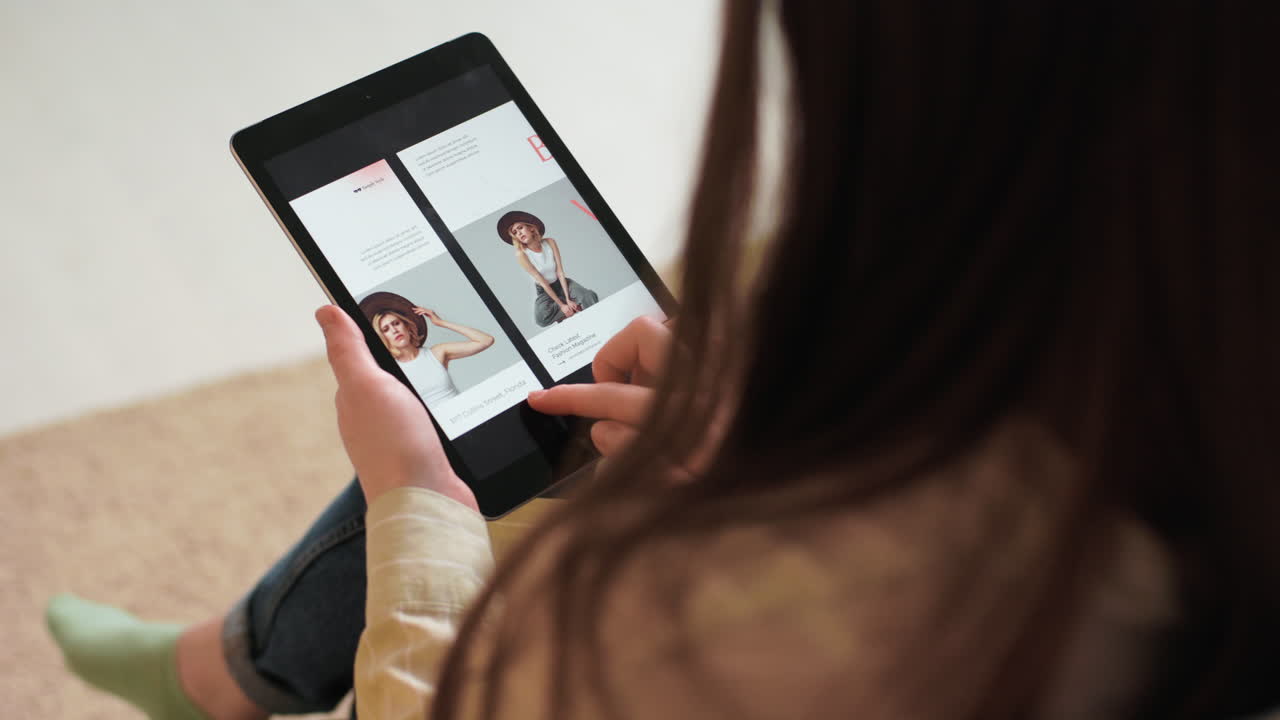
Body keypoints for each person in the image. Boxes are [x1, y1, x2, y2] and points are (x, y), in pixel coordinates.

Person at [46, 2, 1280, 719]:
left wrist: (414, 506)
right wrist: (775, 445)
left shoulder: (726, 633)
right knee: (558, 426)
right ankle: (232, 660)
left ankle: (225, 671)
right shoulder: (1181, 418)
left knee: (468, 472)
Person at [359, 291, 495, 407]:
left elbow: (486, 340)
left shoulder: (436, 353)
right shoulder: (389, 371)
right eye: (386, 329)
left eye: (396, 323)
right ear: (383, 338)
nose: (394, 330)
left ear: (406, 326)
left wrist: (440, 323)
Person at [496, 210, 598, 326]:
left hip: (561, 282)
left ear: (531, 228)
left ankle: (579, 304)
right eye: (515, 232)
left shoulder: (550, 242)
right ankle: (573, 304)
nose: (518, 233)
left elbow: (560, 271)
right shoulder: (521, 254)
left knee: (589, 296)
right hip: (544, 289)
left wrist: (569, 300)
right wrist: (562, 305)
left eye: (520, 228)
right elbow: (544, 283)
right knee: (541, 319)